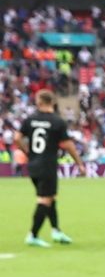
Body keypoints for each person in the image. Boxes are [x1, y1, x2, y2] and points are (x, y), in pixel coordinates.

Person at [18, 86, 74, 246]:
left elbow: (17, 137)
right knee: (45, 200)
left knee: (50, 197)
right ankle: (33, 235)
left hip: (33, 165)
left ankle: (56, 231)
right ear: (53, 102)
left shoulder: (29, 119)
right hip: (48, 165)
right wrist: (79, 163)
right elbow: (68, 145)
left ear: (39, 102)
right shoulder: (57, 121)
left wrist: (27, 151)